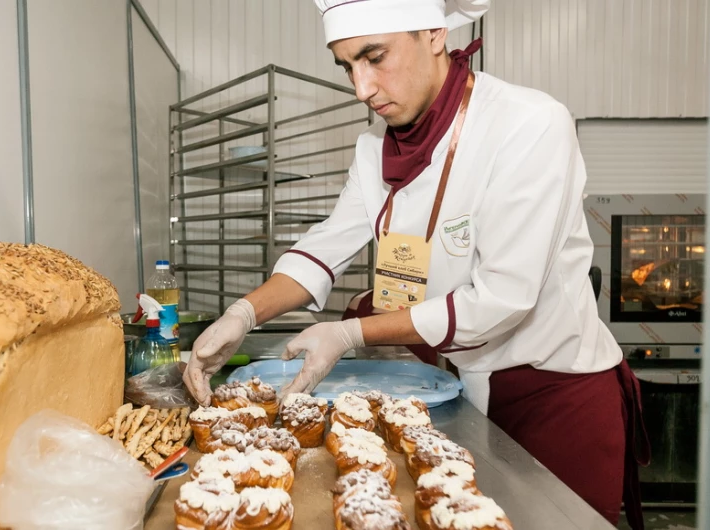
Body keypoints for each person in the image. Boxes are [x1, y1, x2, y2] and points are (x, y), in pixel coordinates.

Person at [183, 0, 649, 527]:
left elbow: (502, 299)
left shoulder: (528, 125)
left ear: (433, 33)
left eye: (374, 57)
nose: (362, 88)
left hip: (556, 397)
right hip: (464, 390)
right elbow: (326, 246)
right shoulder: (374, 149)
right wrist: (242, 314)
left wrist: (350, 334)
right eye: (347, 67)